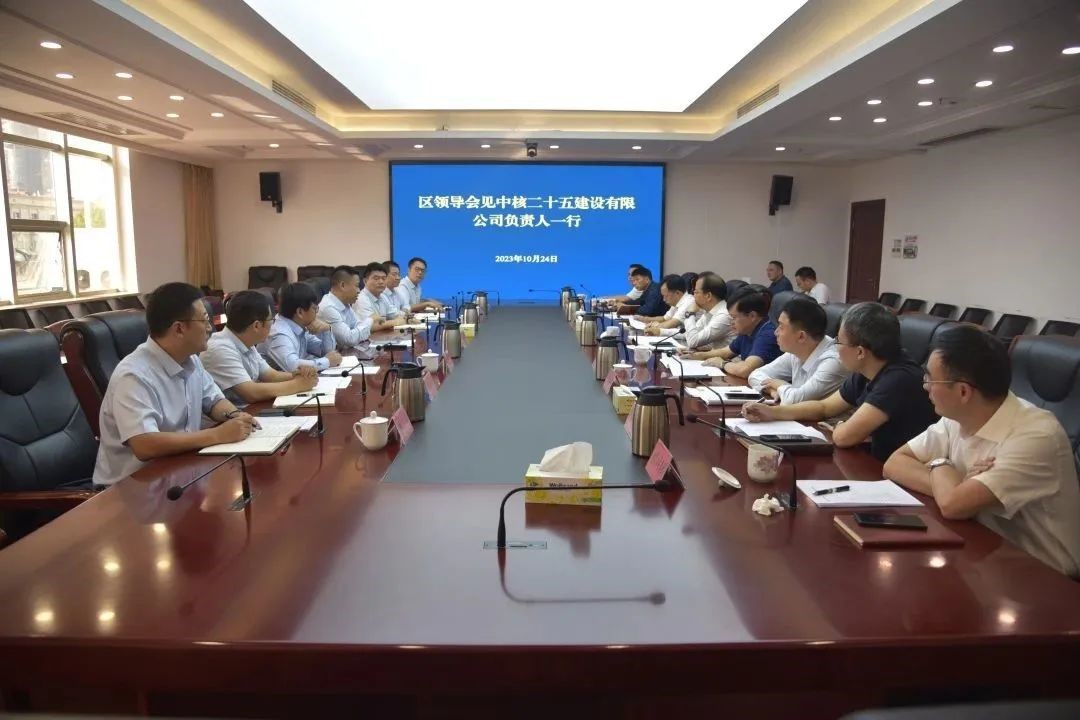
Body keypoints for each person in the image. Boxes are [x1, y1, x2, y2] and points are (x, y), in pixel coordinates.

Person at [886, 326, 1080, 576]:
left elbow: (953, 506)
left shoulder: (1036, 436)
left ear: (963, 391)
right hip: (984, 551)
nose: (925, 386)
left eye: (931, 379)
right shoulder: (957, 416)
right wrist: (953, 479)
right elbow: (895, 463)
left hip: (1045, 576)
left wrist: (938, 464)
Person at [93, 282, 258, 487]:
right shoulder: (134, 375)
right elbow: (144, 444)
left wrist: (235, 416)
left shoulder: (191, 359)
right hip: (132, 488)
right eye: (205, 320)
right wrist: (217, 434)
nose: (210, 328)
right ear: (179, 328)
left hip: (181, 471)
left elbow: (214, 401)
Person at [742, 302, 937, 460]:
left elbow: (844, 437)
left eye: (839, 341)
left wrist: (842, 425)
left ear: (860, 352)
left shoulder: (898, 379)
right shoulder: (867, 368)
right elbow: (824, 407)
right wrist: (772, 412)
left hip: (898, 474)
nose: (835, 346)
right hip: (876, 461)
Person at [202, 290, 318, 406]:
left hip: (247, 410)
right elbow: (251, 393)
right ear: (257, 325)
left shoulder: (246, 340)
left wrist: (298, 375)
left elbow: (271, 375)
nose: (273, 324)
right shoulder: (220, 349)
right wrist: (299, 384)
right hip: (230, 415)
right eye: (271, 320)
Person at [747, 297, 848, 403]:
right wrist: (771, 390)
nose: (775, 332)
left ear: (801, 336)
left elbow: (794, 400)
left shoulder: (833, 361)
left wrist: (780, 384)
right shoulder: (797, 351)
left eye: (781, 327)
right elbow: (755, 375)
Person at [689, 288, 780, 378]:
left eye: (734, 317)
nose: (731, 322)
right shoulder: (747, 329)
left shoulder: (768, 334)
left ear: (752, 316)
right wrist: (697, 355)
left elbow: (745, 370)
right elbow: (726, 352)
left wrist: (722, 363)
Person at [261, 281, 342, 372]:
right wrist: (327, 361)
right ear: (300, 312)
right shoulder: (279, 333)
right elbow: (293, 366)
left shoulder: (299, 326)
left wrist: (327, 329)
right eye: (315, 308)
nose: (317, 313)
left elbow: (325, 352)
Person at [315, 265, 376, 358]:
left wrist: (359, 332)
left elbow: (358, 326)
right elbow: (349, 339)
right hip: (327, 360)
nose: (359, 291)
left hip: (344, 354)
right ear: (342, 285)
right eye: (357, 286)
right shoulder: (328, 307)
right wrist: (370, 319)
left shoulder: (345, 303)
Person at [681, 272, 734, 350]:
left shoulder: (723, 315)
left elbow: (693, 342)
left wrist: (690, 313)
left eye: (696, 292)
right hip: (714, 355)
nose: (693, 296)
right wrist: (662, 332)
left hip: (726, 358)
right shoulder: (709, 312)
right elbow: (689, 334)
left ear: (708, 296)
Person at [354, 261, 407, 333]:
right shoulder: (361, 299)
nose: (381, 282)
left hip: (381, 337)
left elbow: (396, 315)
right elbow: (370, 326)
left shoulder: (382, 297)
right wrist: (395, 322)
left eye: (384, 278)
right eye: (376, 278)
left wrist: (405, 318)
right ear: (365, 281)